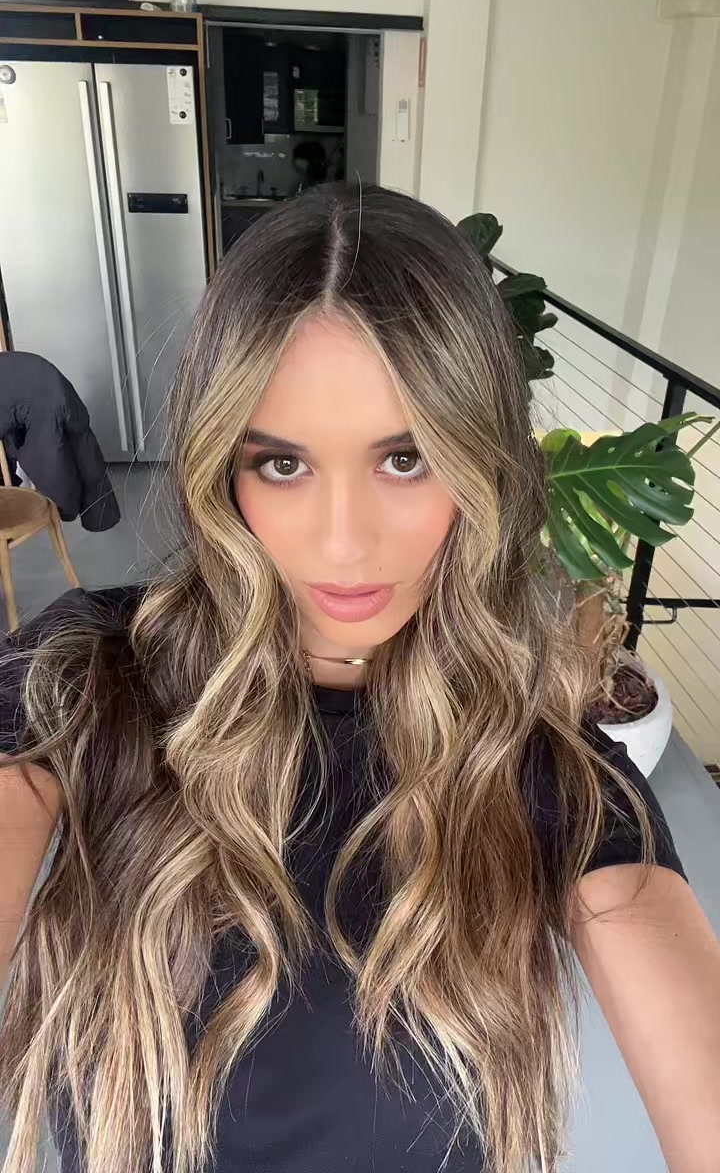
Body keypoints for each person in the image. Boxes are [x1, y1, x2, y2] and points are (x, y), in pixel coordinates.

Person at [0, 185, 718, 1173]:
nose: (342, 543)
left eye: (405, 458)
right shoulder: (91, 677)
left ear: (482, 463)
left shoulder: (540, 765)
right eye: (283, 464)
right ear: (223, 468)